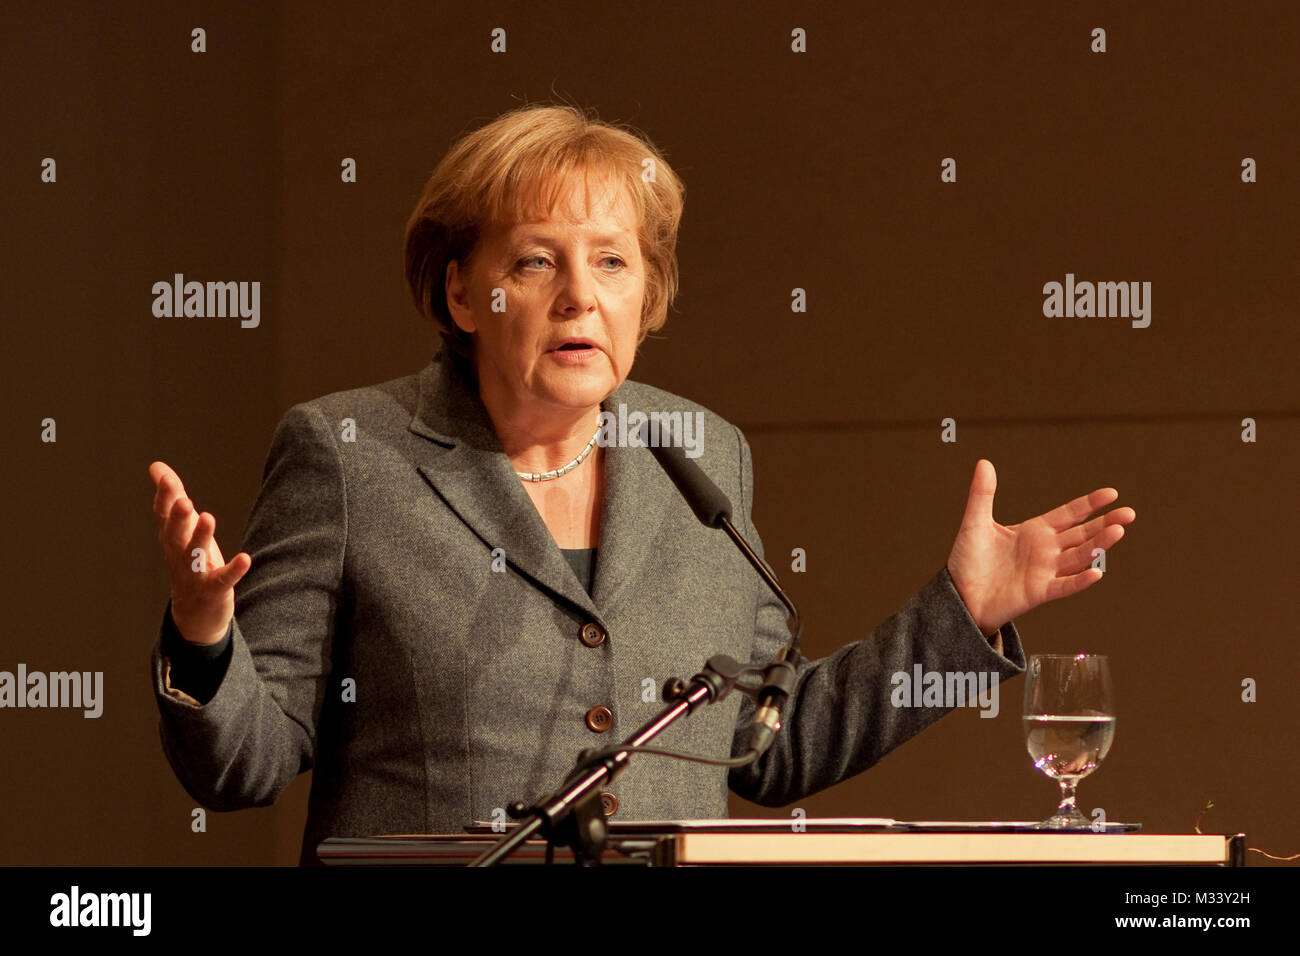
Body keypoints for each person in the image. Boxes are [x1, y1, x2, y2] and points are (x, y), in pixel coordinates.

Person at [147, 103, 1136, 865]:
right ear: (462, 290)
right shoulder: (350, 451)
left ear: (647, 295)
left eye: (613, 262)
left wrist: (963, 613)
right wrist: (203, 631)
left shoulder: (700, 451)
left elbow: (768, 743)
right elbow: (245, 759)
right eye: (536, 261)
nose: (580, 293)